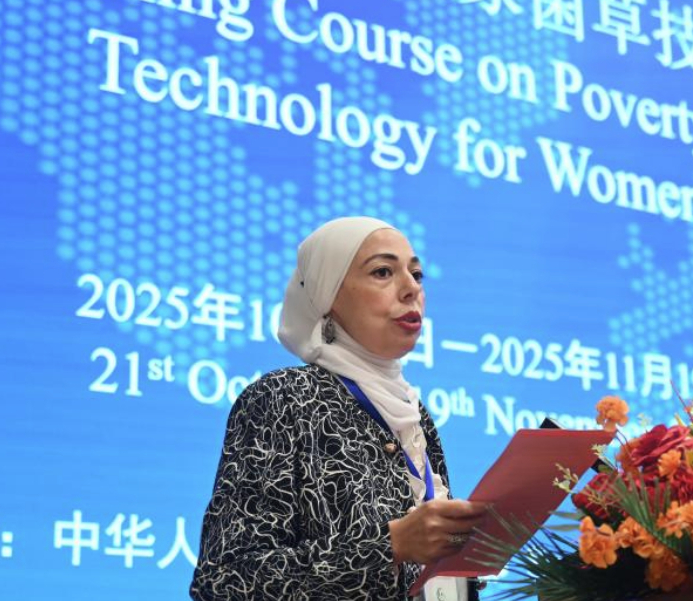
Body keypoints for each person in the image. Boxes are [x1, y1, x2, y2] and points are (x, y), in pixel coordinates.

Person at [190, 216, 485, 600]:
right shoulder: (283, 398)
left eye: (417, 274)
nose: (411, 288)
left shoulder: (415, 417)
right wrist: (389, 546)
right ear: (327, 295)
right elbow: (225, 581)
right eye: (383, 272)